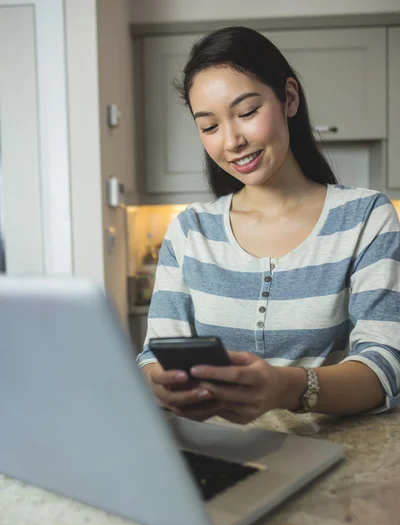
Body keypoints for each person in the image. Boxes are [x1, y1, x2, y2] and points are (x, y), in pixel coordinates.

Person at [137, 26, 400, 424]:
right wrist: (158, 382)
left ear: (288, 98)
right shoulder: (191, 231)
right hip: (218, 450)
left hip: (330, 448)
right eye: (209, 126)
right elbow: (154, 355)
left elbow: (386, 365)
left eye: (246, 113)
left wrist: (286, 388)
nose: (232, 141)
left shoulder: (365, 218)